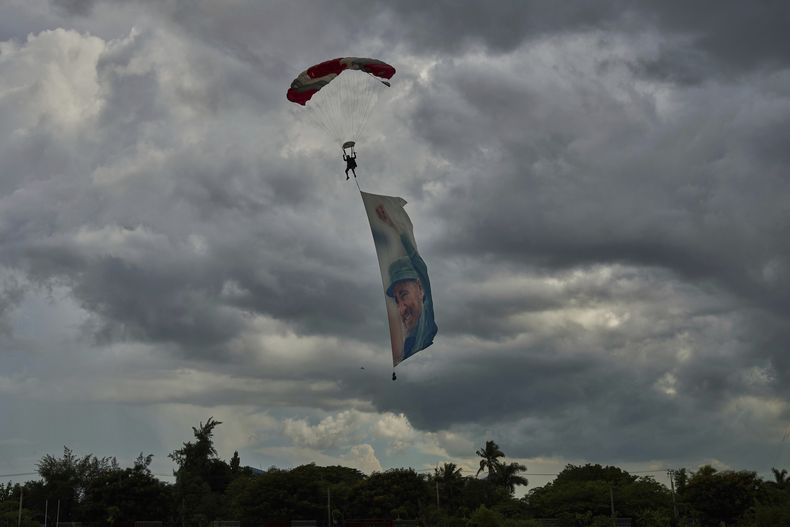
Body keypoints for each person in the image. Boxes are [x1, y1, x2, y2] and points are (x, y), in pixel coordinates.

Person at [376, 204, 437, 361]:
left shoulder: (426, 322)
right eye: (397, 301)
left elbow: (418, 263)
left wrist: (393, 225)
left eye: (404, 295)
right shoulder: (409, 344)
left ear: (420, 288)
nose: (401, 308)